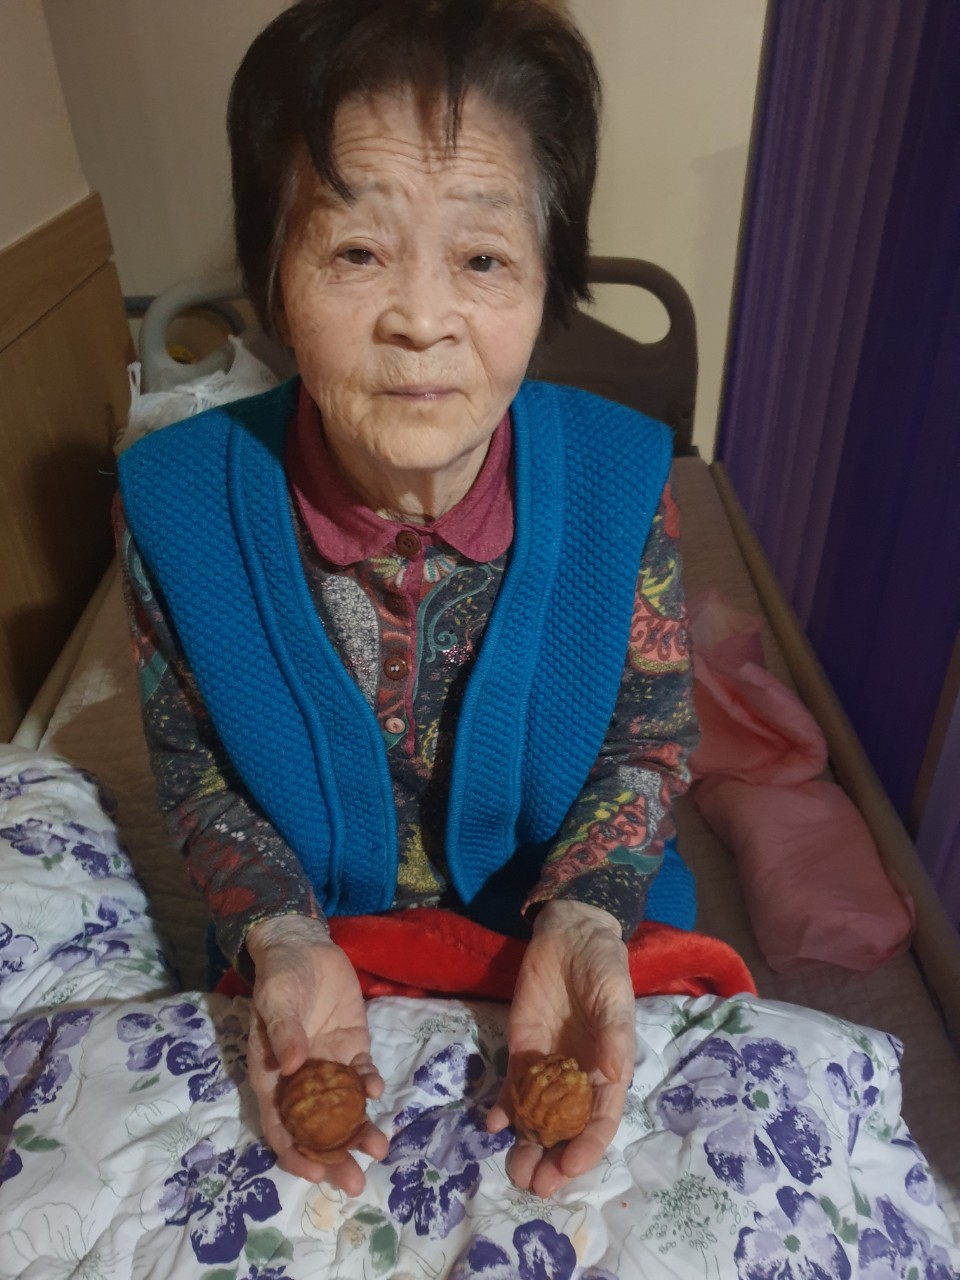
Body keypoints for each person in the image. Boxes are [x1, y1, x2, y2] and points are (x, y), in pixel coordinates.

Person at [116, 0, 698, 1201]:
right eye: (355, 253)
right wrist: (280, 933)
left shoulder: (625, 480)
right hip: (314, 961)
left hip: (579, 946)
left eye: (482, 258)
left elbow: (646, 742)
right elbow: (195, 770)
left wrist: (587, 915)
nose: (422, 320)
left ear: (546, 279)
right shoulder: (171, 506)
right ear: (275, 279)